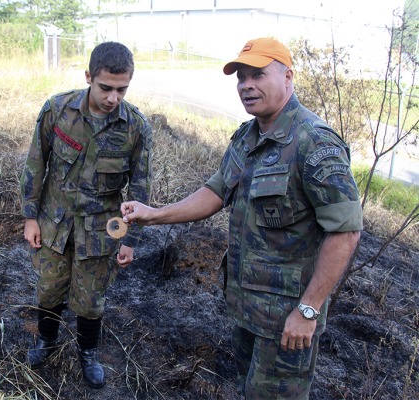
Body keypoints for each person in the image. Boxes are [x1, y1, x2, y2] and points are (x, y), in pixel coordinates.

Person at [121, 37, 362, 399]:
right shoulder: (247, 137)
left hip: (287, 322)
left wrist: (308, 311)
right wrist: (154, 215)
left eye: (258, 75)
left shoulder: (314, 142)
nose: (247, 85)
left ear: (287, 77)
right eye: (241, 77)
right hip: (247, 310)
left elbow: (344, 232)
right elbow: (216, 192)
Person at [19, 41, 152, 389]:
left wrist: (130, 240)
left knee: (91, 299)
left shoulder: (135, 127)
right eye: (106, 87)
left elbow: (140, 187)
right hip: (54, 223)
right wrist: (30, 217)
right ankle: (46, 340)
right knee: (48, 290)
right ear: (89, 76)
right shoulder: (57, 110)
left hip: (102, 229)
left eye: (122, 89)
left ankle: (88, 352)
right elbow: (36, 163)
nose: (113, 98)